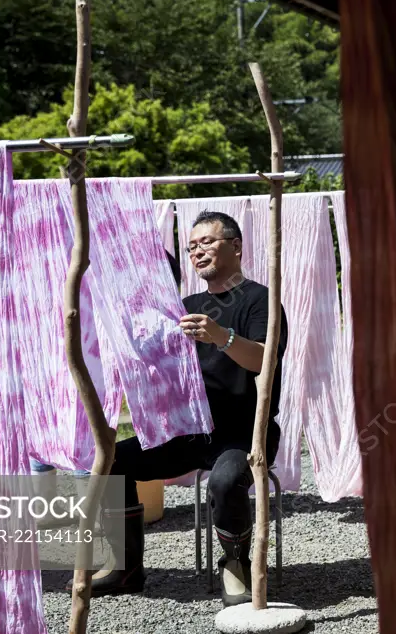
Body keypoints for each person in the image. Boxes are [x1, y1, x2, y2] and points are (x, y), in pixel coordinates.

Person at [75, 210, 287, 608]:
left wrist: (221, 336)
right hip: (190, 431)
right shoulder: (184, 305)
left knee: (223, 482)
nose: (197, 251)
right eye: (191, 246)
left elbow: (264, 360)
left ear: (236, 246)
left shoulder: (261, 299)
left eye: (207, 242)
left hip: (243, 433)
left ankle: (236, 563)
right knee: (114, 460)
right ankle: (126, 568)